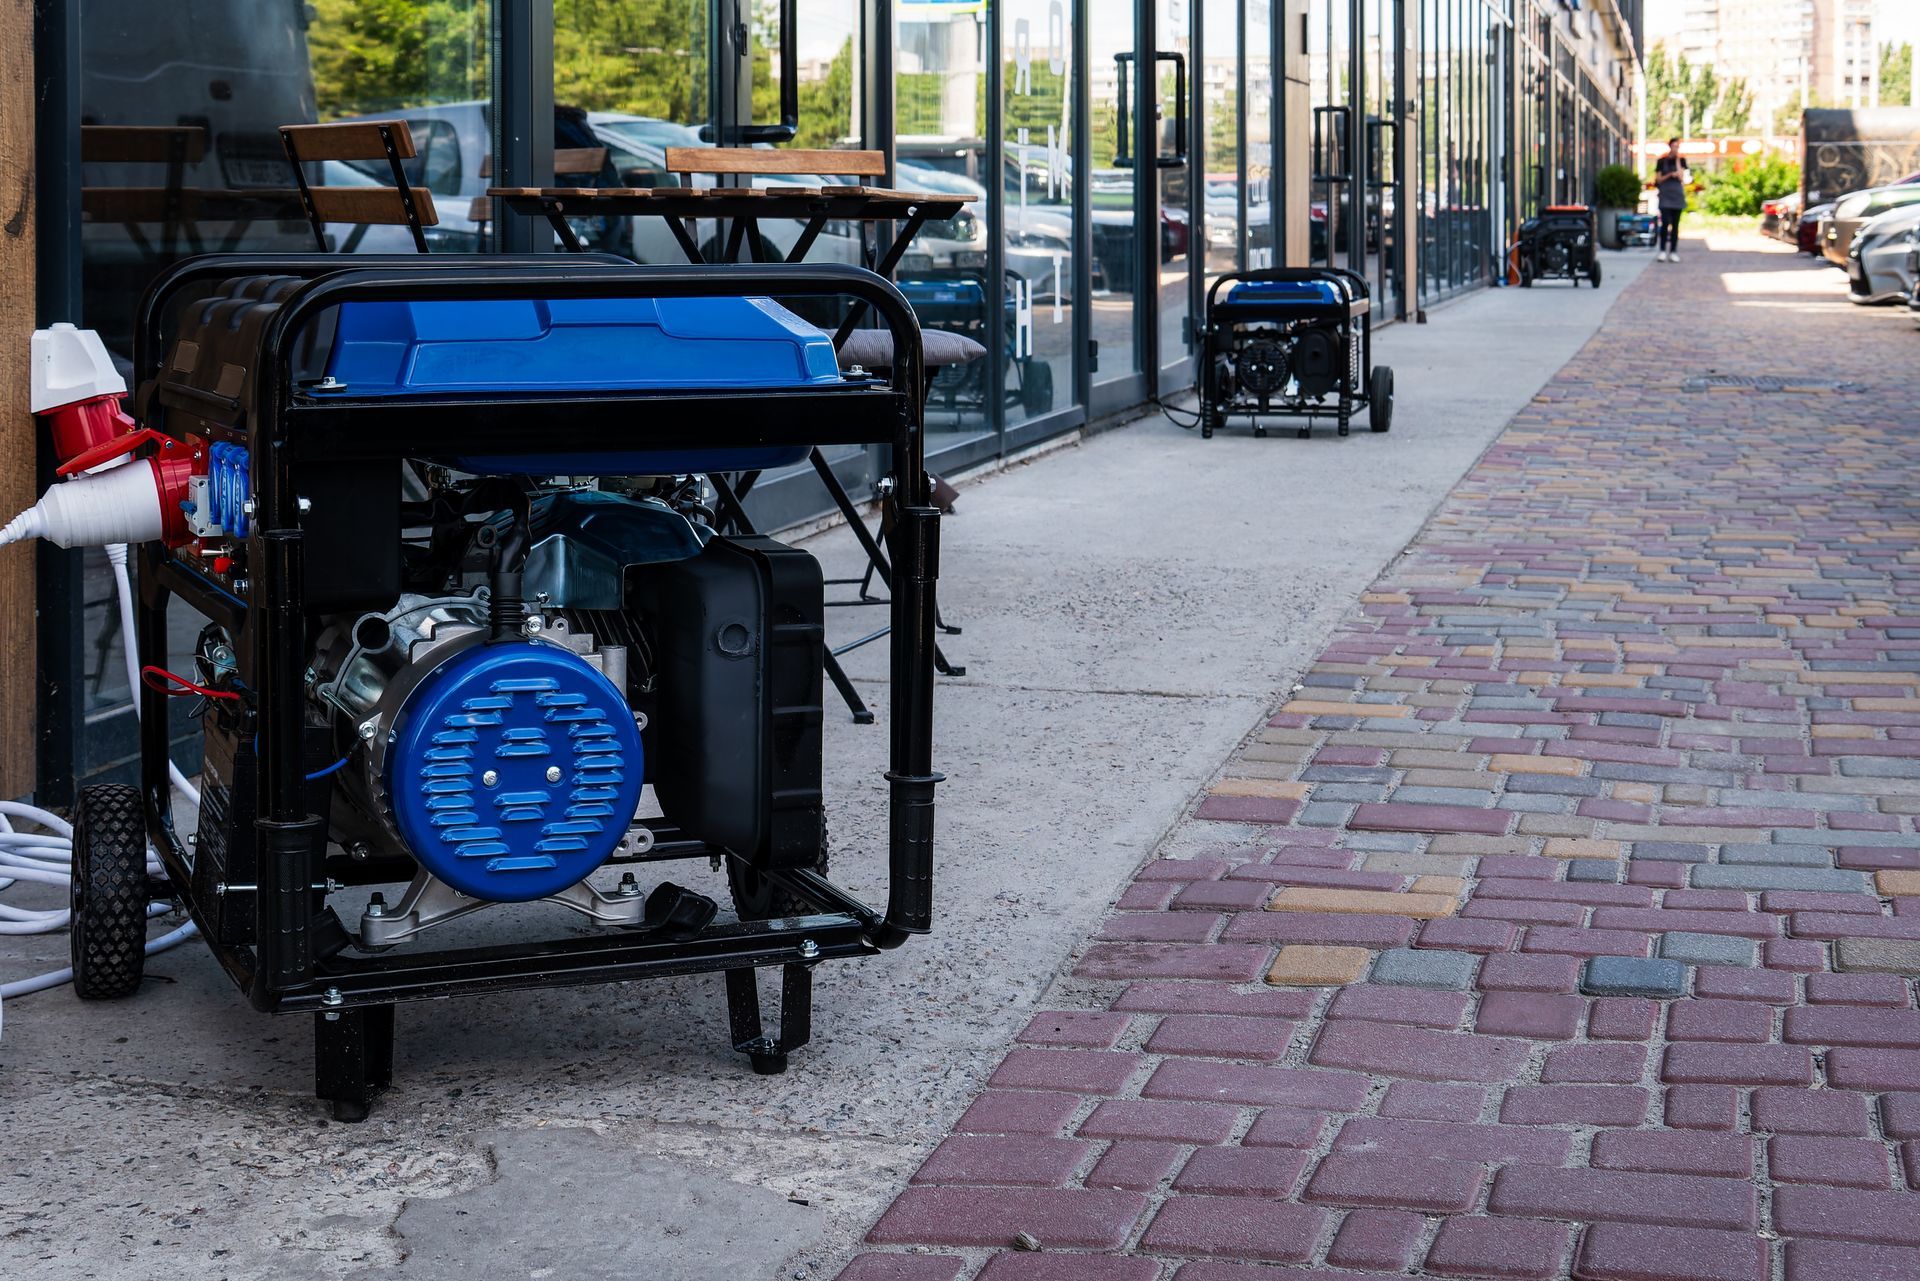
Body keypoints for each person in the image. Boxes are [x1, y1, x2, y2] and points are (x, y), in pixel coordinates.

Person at [1653, 138, 1688, 262]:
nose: (1675, 149)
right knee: (1665, 224)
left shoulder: (1682, 160)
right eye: (1674, 146)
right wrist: (1669, 175)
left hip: (1677, 196)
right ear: (1669, 147)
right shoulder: (1662, 161)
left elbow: (1682, 177)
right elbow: (1658, 179)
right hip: (1665, 195)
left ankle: (1673, 251)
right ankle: (1662, 251)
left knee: (1675, 226)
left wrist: (1678, 161)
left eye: (1677, 146)